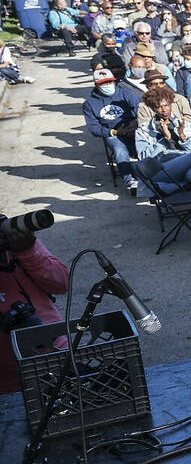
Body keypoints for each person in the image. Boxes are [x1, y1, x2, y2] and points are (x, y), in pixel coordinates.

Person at [0, 217, 69, 394]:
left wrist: (28, 252)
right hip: (7, 382)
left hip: (57, 357)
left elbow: (62, 283)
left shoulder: (11, 238)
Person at [134, 85, 191, 198]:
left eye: (166, 105)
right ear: (153, 108)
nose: (164, 110)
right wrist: (165, 140)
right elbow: (144, 157)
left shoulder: (183, 124)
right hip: (160, 170)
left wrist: (183, 137)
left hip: (185, 164)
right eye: (159, 107)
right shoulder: (143, 130)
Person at [82, 67, 140, 191]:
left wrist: (135, 125)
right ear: (97, 85)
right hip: (113, 133)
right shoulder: (89, 104)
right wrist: (113, 132)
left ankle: (149, 173)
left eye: (110, 82)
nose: (108, 85)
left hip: (133, 128)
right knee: (119, 149)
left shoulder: (125, 93)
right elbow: (93, 127)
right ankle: (129, 178)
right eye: (103, 83)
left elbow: (139, 109)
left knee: (145, 143)